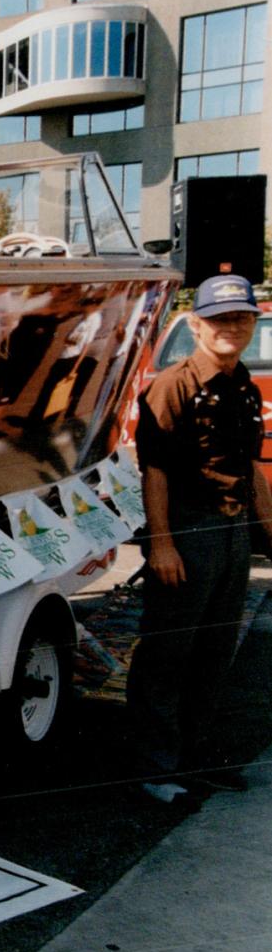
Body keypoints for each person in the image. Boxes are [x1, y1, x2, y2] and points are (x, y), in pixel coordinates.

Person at [130, 273, 272, 806]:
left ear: (252, 323)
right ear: (195, 325)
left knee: (214, 652)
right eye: (219, 319)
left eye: (240, 317)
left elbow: (251, 469)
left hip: (232, 533)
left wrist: (269, 532)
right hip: (188, 529)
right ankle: (154, 770)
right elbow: (155, 473)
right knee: (169, 651)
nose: (230, 327)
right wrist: (162, 544)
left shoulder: (240, 385)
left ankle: (195, 761)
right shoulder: (173, 386)